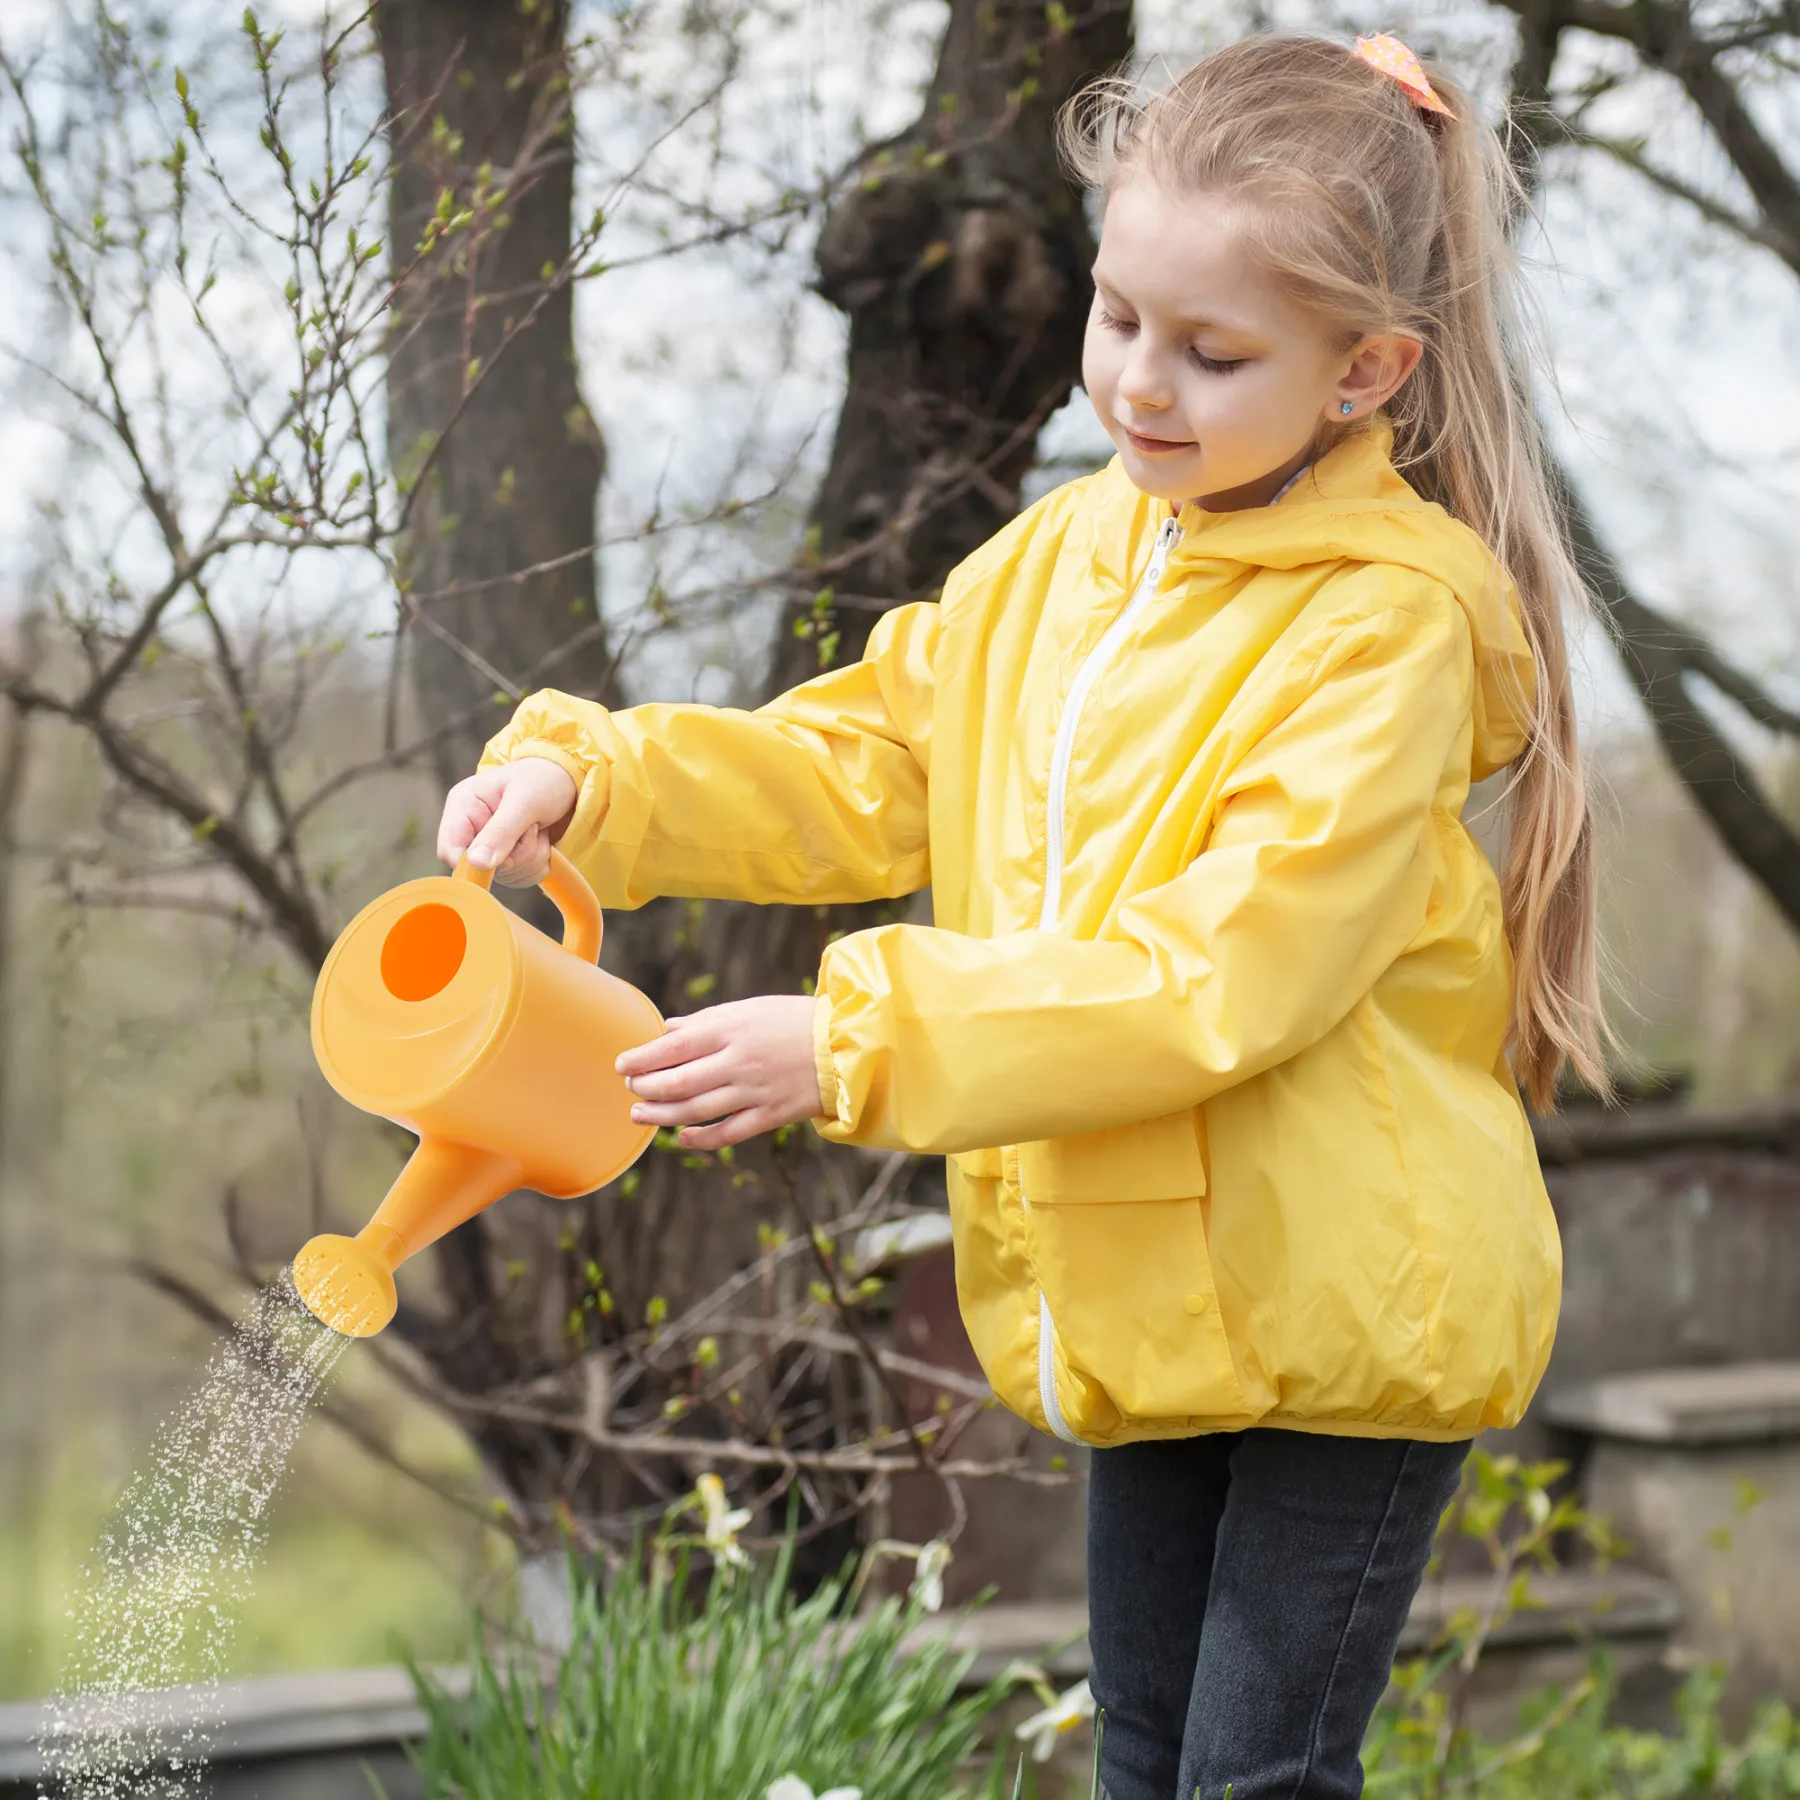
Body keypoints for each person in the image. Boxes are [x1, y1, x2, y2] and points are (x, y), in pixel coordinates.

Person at [436, 31, 1609, 1799]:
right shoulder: (1065, 565)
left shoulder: (1386, 632)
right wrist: (599, 783)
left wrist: (856, 1039)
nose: (1142, 383)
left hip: (1354, 1311)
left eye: (1215, 354)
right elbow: (863, 756)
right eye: (1120, 315)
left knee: (1250, 1780)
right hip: (1153, 1289)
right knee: (1146, 1755)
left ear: (1368, 370)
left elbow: (1225, 974)